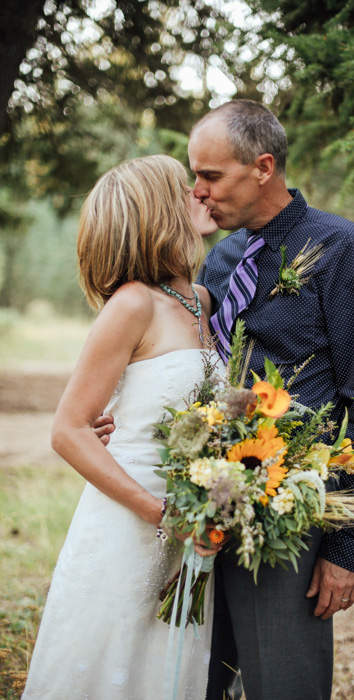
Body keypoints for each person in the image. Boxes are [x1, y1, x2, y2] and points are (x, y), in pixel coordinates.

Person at [95, 100, 354, 700]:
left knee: (284, 683)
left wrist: (347, 546)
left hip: (290, 514)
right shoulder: (223, 258)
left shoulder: (342, 249)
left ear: (262, 167)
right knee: (198, 679)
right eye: (193, 176)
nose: (198, 193)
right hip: (202, 511)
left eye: (210, 176)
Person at [22, 154, 222, 700]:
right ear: (158, 212)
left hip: (193, 522)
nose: (199, 195)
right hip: (134, 519)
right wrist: (160, 513)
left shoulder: (201, 300)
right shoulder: (132, 303)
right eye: (185, 189)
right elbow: (68, 429)